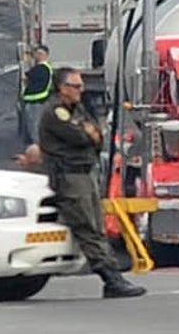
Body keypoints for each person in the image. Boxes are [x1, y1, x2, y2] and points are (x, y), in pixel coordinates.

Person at [39, 67, 146, 298]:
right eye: (76, 86)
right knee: (87, 228)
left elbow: (97, 136)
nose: (81, 90)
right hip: (69, 177)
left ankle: (113, 276)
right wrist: (88, 132)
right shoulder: (55, 112)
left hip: (86, 174)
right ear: (62, 88)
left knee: (97, 227)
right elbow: (79, 137)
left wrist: (90, 133)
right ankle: (111, 278)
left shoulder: (77, 109)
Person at [19, 45, 53, 148]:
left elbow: (25, 76)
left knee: (34, 126)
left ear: (46, 55)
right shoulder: (41, 67)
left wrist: (26, 60)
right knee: (33, 125)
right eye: (37, 53)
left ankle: (37, 147)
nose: (38, 56)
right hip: (34, 101)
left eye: (41, 54)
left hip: (36, 102)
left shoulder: (42, 68)